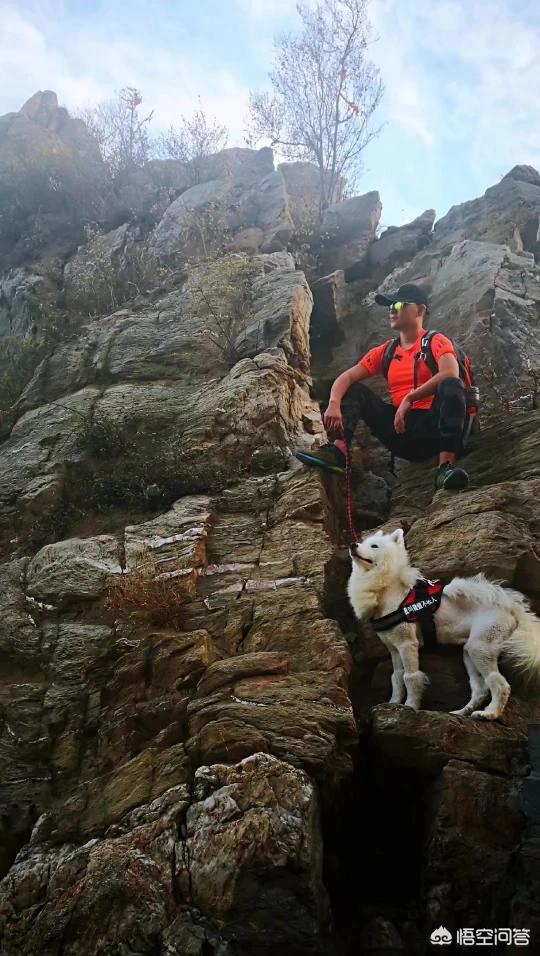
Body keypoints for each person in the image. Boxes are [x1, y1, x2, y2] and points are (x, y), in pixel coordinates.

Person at [296, 283, 470, 490]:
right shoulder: (387, 351)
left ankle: (445, 468)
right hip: (401, 431)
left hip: (434, 429)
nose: (392, 310)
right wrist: (334, 403)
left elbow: (450, 373)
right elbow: (346, 377)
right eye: (390, 306)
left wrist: (410, 398)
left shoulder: (435, 341)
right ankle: (339, 452)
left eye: (398, 305)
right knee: (353, 390)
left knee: (451, 385)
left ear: (420, 310)